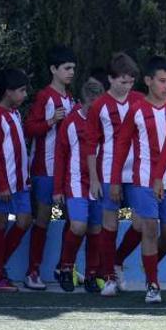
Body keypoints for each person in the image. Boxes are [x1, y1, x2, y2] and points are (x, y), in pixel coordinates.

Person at [110, 56, 166, 304]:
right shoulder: (136, 110)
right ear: (148, 81)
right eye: (161, 81)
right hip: (143, 180)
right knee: (149, 227)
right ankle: (153, 284)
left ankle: (145, 266)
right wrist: (116, 179)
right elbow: (121, 145)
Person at [88, 52, 144, 296]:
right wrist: (93, 178)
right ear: (110, 79)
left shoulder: (140, 100)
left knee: (141, 223)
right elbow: (90, 145)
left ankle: (117, 261)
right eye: (122, 81)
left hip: (137, 173)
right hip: (108, 171)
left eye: (131, 81)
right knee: (108, 224)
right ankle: (109, 277)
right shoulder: (99, 105)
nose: (127, 86)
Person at [24, 46, 77, 290]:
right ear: (53, 70)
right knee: (43, 218)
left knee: (75, 218)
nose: (71, 73)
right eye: (66, 68)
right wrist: (50, 121)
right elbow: (30, 128)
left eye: (73, 68)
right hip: (44, 168)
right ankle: (32, 271)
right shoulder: (45, 97)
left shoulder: (71, 98)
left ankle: (64, 266)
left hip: (67, 169)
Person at [0, 68, 33, 293]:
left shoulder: (14, 113)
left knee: (24, 221)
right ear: (8, 92)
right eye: (21, 90)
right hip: (1, 184)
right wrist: (1, 185)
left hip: (19, 182)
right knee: (0, 222)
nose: (25, 95)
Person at [53, 77, 104, 293]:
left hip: (99, 183)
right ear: (83, 103)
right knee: (78, 226)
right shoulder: (71, 123)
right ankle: (66, 268)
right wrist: (57, 189)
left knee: (95, 229)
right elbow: (60, 155)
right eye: (91, 106)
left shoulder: (105, 122)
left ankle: (93, 274)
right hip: (76, 183)